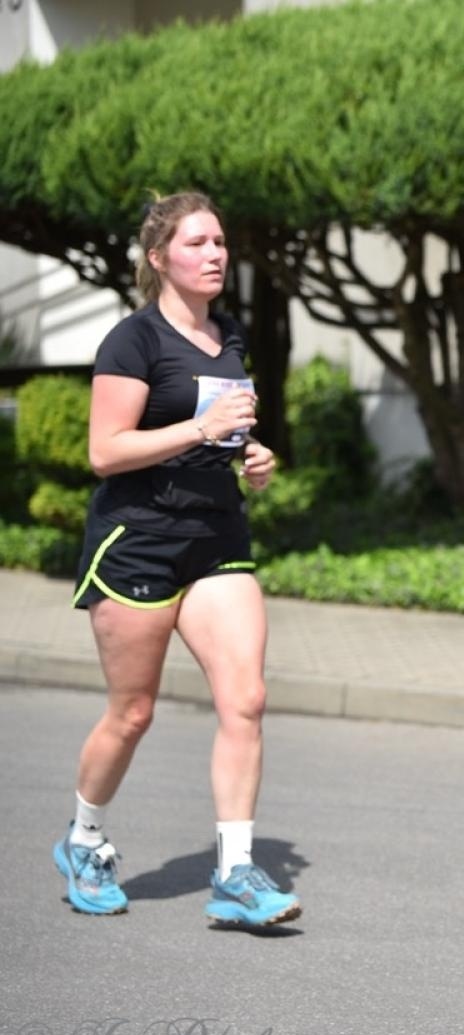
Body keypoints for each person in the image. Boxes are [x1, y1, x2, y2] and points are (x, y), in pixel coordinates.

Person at [55, 191, 299, 928]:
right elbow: (106, 451)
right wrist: (200, 426)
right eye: (197, 243)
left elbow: (219, 438)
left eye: (220, 241)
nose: (216, 254)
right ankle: (84, 839)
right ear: (160, 258)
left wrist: (250, 456)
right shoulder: (133, 340)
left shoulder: (228, 335)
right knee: (133, 713)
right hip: (139, 540)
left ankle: (235, 873)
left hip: (216, 538)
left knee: (246, 699)